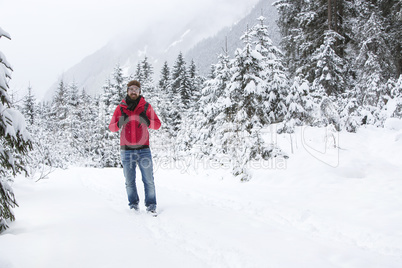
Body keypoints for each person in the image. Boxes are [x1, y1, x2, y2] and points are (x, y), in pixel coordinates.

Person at [109, 80, 161, 215]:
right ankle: (133, 206)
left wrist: (148, 121)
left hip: (144, 149)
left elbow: (158, 125)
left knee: (148, 180)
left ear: (139, 92)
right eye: (131, 89)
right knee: (129, 181)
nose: (133, 91)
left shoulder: (146, 107)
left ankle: (151, 206)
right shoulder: (121, 108)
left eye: (136, 89)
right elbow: (112, 128)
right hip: (126, 150)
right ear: (127, 91)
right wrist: (121, 121)